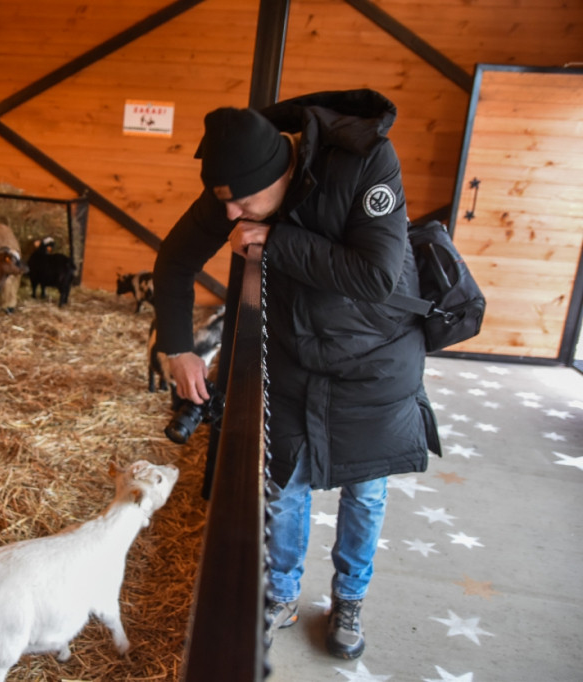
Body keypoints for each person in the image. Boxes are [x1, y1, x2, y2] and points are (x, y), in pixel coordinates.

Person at [152, 89, 439, 660]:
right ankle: (279, 593)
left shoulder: (366, 163)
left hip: (374, 358)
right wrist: (179, 348)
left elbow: (377, 275)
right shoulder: (239, 187)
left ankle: (349, 597)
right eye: (224, 203)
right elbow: (176, 260)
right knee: (284, 484)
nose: (231, 215)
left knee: (364, 489)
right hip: (293, 354)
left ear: (280, 170)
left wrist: (279, 241)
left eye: (243, 203)